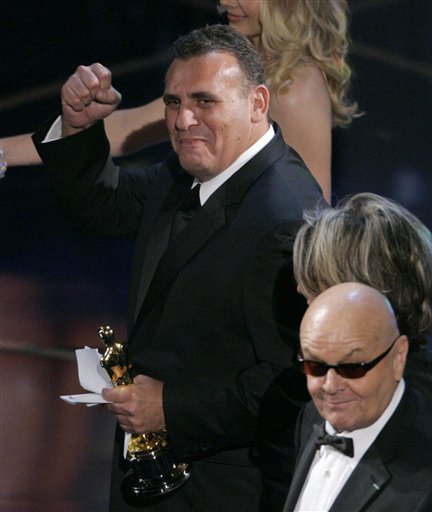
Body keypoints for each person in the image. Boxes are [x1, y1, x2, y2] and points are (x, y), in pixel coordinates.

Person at [32, 24, 324, 512]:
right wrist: (77, 126)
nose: (183, 120)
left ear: (257, 103)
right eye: (173, 102)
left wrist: (170, 406)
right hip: (155, 479)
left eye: (205, 101)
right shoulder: (188, 171)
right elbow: (101, 206)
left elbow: (295, 383)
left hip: (224, 491)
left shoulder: (286, 219)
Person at [4, 0, 357, 200]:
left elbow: (312, 217)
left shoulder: (295, 83)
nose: (224, 1)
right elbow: (127, 128)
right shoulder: (243, 62)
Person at [292, 192, 432, 468]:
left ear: (359, 290)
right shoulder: (421, 374)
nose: (301, 291)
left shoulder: (409, 397)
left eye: (315, 284)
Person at [283, 282, 432, 511]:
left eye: (352, 367)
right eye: (315, 366)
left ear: (398, 357)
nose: (330, 386)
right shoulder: (311, 416)